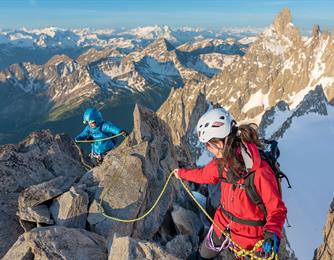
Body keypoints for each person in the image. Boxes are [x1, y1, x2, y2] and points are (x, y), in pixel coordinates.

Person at [174, 108, 287, 259]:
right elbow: (204, 175)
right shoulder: (221, 163)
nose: (208, 149)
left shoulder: (259, 171)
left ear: (222, 142)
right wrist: (181, 174)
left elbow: (277, 209)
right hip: (222, 226)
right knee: (201, 256)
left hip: (251, 242)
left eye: (209, 144)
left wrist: (272, 234)